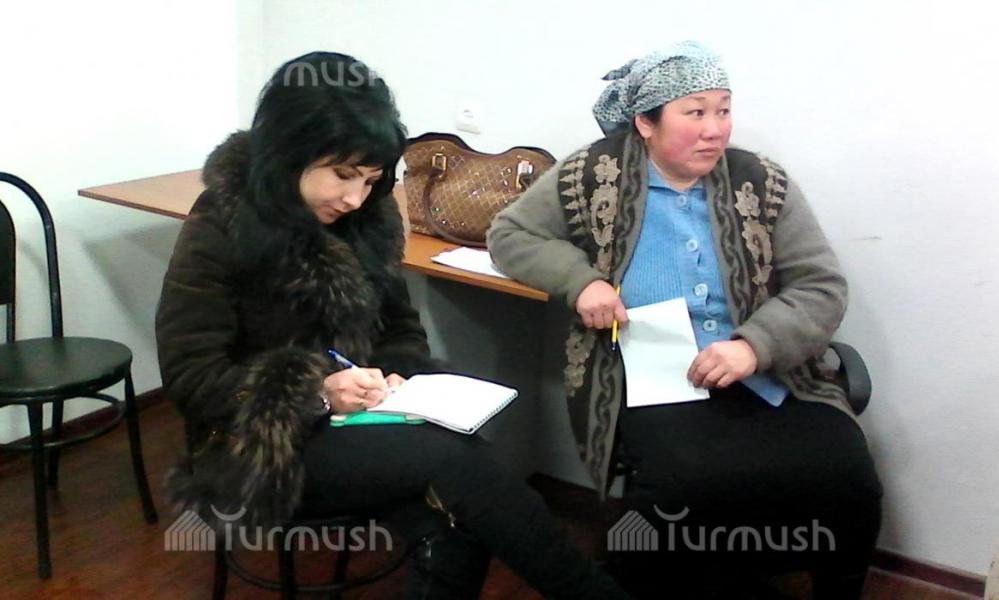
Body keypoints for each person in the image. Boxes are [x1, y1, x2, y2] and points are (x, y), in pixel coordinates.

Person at [155, 51, 630, 600]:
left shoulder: (368, 217)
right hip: (254, 441)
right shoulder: (221, 223)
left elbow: (401, 326)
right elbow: (192, 377)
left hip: (359, 417)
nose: (354, 198)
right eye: (342, 176)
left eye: (371, 179)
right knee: (457, 466)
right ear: (288, 152)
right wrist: (318, 393)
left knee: (459, 501)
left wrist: (398, 374)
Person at [488, 41, 882, 599]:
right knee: (679, 488)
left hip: (770, 374)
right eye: (695, 112)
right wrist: (583, 281)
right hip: (654, 379)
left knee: (847, 475)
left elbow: (821, 285)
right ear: (645, 123)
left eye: (723, 110)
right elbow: (510, 235)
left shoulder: (761, 181)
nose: (714, 129)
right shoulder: (592, 173)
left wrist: (754, 346)